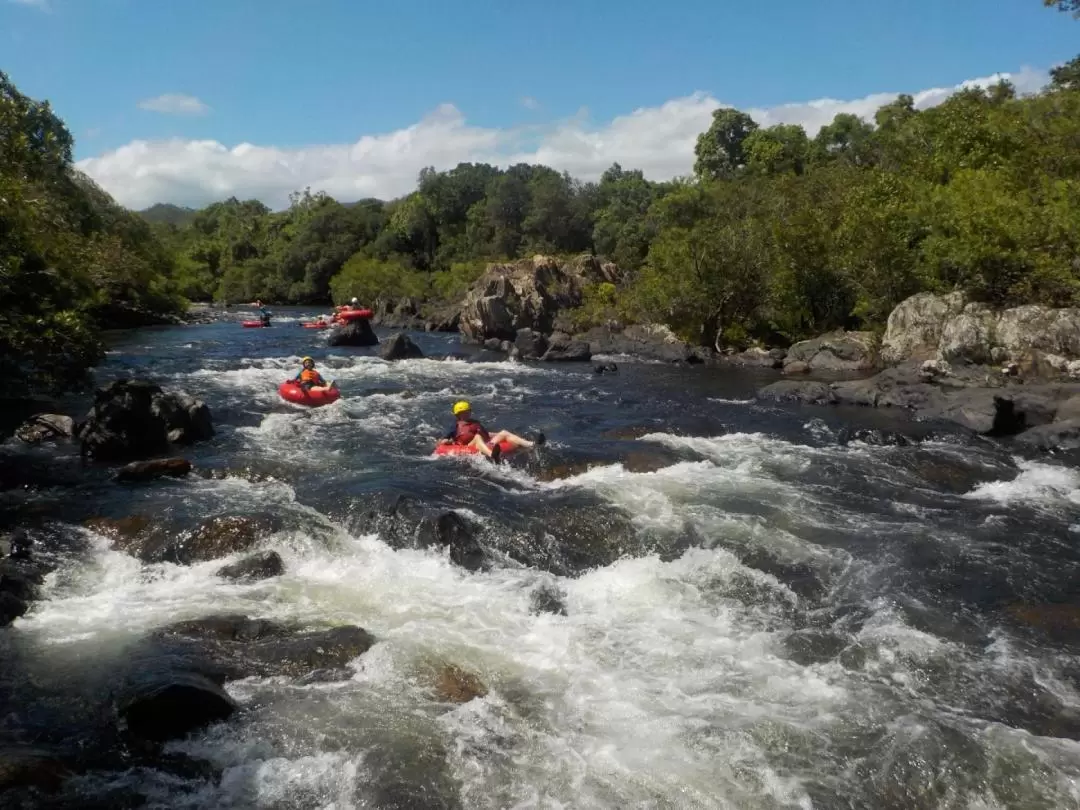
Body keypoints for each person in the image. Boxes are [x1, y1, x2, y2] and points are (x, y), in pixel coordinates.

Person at [439, 401, 542, 462]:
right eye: (463, 413)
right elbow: (444, 440)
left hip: (484, 443)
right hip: (469, 445)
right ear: (458, 415)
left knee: (504, 432)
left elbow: (486, 434)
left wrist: (500, 435)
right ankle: (492, 455)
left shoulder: (474, 422)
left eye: (468, 412)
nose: (466, 414)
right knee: (478, 437)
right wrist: (448, 441)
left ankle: (532, 444)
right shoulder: (455, 425)